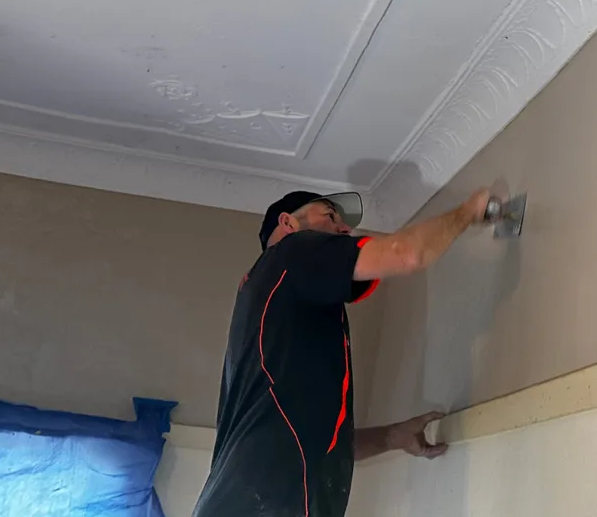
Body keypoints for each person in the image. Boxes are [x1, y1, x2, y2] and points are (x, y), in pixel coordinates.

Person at [192, 186, 492, 517]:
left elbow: (310, 438)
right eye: (330, 216)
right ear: (288, 223)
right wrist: (470, 211)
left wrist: (392, 437)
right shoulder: (294, 251)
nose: (345, 229)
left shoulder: (271, 304)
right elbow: (406, 253)